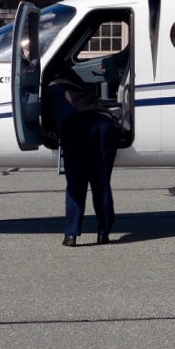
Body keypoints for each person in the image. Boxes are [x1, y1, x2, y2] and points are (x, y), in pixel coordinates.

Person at [44, 67, 121, 246]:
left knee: (76, 185)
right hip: (104, 124)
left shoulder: (51, 89)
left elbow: (49, 122)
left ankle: (71, 235)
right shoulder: (79, 85)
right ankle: (104, 233)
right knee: (101, 183)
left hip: (76, 127)